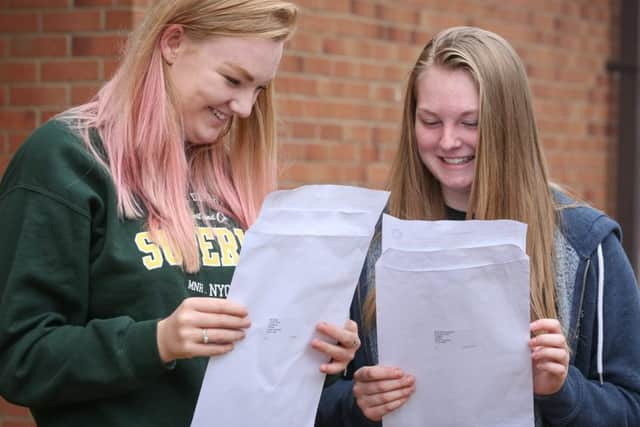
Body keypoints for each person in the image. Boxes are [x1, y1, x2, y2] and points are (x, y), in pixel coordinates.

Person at [0, 1, 361, 426]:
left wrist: (317, 349)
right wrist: (157, 342)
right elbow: (19, 357)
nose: (245, 108)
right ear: (173, 43)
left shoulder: (228, 174)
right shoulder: (65, 162)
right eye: (232, 79)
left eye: (259, 89)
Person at [316, 26, 640, 427]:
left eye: (471, 122)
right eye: (430, 121)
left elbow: (631, 407)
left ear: (509, 126)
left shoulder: (586, 245)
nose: (449, 141)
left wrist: (562, 390)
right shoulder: (371, 242)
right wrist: (355, 403)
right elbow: (310, 403)